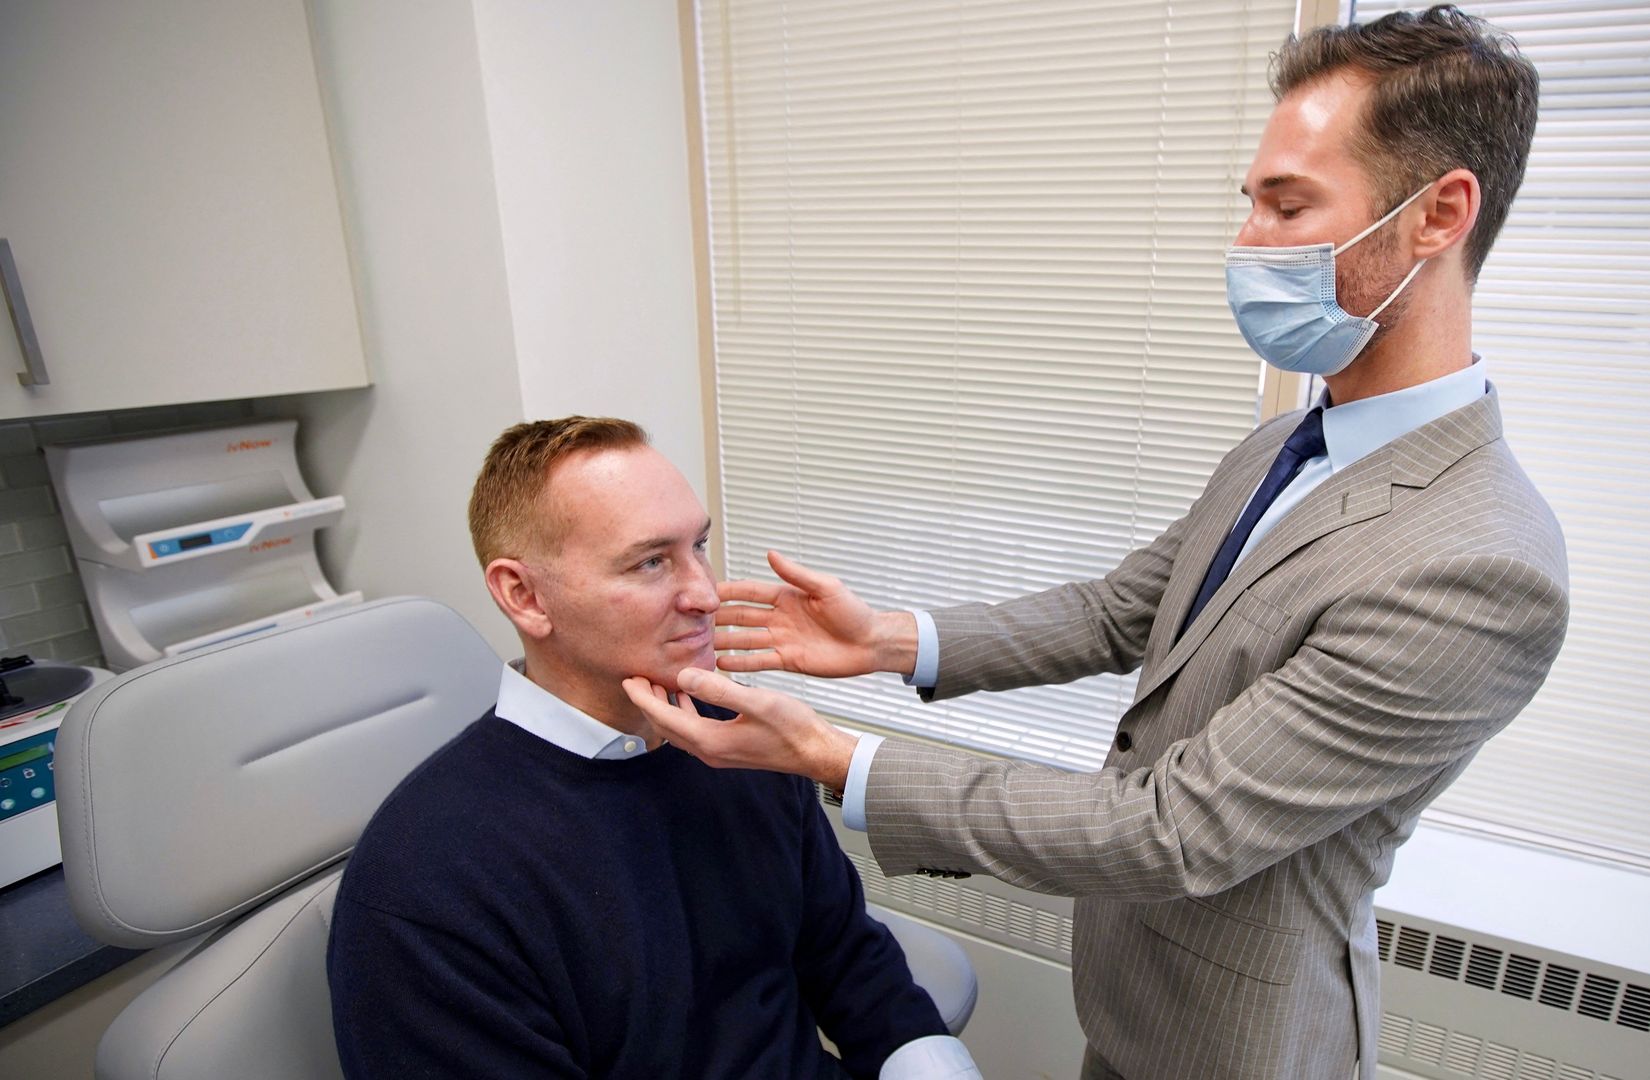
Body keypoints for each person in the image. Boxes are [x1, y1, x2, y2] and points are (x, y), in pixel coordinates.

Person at [628, 7, 1569, 1080]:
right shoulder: (1289, 443)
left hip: (1239, 1047)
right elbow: (1124, 611)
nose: (1249, 241)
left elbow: (1171, 831)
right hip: (1132, 1005)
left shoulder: (1481, 563)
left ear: (1438, 214)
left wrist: (836, 758)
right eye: (1249, 203)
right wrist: (892, 640)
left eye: (1288, 205)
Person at [326, 417, 979, 1079]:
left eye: (699, 546)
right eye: (650, 562)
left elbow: (847, 959)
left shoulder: (738, 741)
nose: (704, 593)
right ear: (524, 596)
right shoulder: (425, 883)